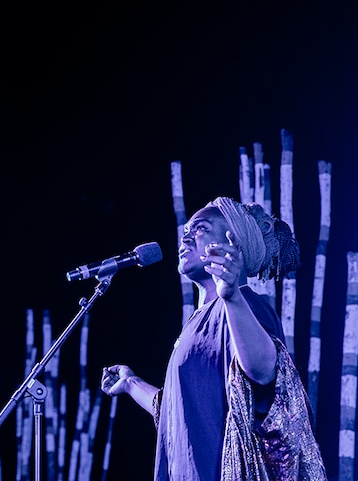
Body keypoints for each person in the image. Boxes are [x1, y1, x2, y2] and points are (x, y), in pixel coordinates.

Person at [100, 196, 326, 480]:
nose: (187, 238)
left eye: (201, 229)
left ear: (235, 244)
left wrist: (231, 297)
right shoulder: (197, 322)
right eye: (186, 232)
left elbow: (266, 373)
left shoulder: (246, 305)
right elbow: (178, 410)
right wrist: (131, 383)